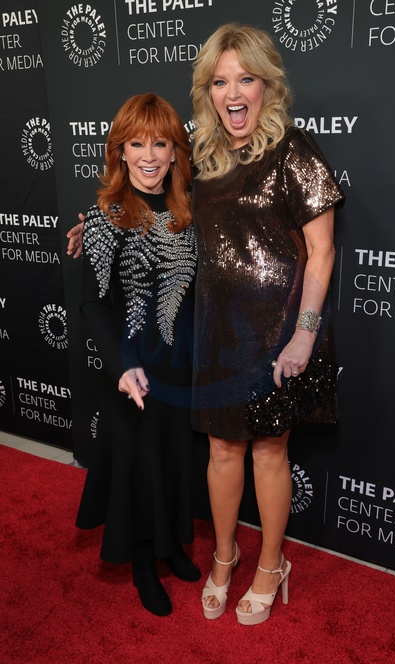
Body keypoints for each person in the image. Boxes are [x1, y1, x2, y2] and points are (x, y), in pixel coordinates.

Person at [190, 23, 345, 625]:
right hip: (218, 333)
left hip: (278, 332)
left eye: (245, 79)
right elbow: (149, 199)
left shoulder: (294, 151)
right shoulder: (202, 159)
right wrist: (98, 222)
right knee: (221, 449)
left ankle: (272, 564)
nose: (233, 93)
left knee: (269, 452)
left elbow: (322, 250)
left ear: (267, 87)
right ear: (207, 91)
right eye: (219, 81)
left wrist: (304, 333)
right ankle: (224, 558)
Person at [75, 93, 200, 617]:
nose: (149, 156)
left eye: (161, 143)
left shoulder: (188, 211)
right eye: (137, 144)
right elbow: (93, 303)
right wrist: (122, 365)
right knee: (139, 462)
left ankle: (172, 546)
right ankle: (144, 561)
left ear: (175, 152)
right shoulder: (106, 216)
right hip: (132, 368)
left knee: (173, 458)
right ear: (120, 152)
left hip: (180, 366)